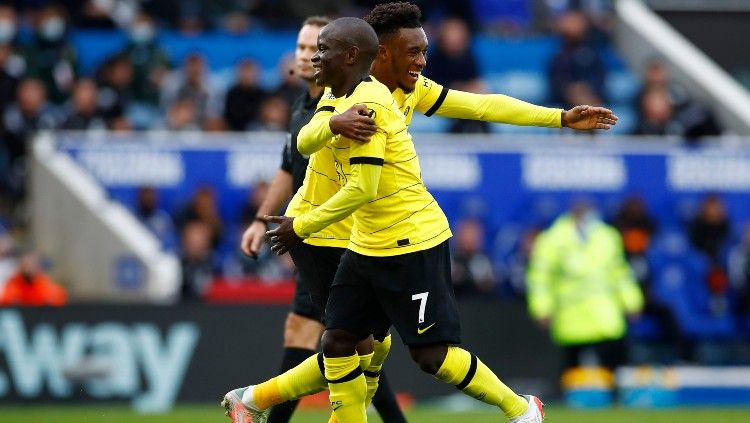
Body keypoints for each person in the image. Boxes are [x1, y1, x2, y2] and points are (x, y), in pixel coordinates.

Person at [227, 2, 619, 421]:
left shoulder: (396, 92)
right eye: (413, 52)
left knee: (370, 349)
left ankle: (255, 400)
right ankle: (255, 401)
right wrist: (332, 129)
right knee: (348, 345)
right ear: (380, 53)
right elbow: (306, 142)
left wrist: (559, 117)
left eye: (423, 51)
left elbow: (482, 107)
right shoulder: (345, 93)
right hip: (328, 234)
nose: (422, 62)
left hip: (374, 233)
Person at [232, 15, 406, 423]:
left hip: (341, 238)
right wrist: (261, 220)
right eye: (304, 47)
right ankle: (257, 405)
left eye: (317, 47)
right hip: (313, 237)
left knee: (352, 342)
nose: (309, 54)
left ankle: (254, 401)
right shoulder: (306, 105)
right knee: (340, 339)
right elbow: (288, 167)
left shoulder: (349, 100)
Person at [526, 200, 644, 372]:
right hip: (571, 319)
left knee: (611, 374)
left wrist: (632, 302)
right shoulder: (552, 240)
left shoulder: (607, 236)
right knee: (572, 377)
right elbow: (540, 278)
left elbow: (620, 274)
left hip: (605, 318)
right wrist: (541, 308)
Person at [1, 250, 67, 306]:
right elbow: (7, 301)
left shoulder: (45, 283)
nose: (28, 267)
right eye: (25, 263)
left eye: (31, 263)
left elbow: (58, 298)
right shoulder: (13, 284)